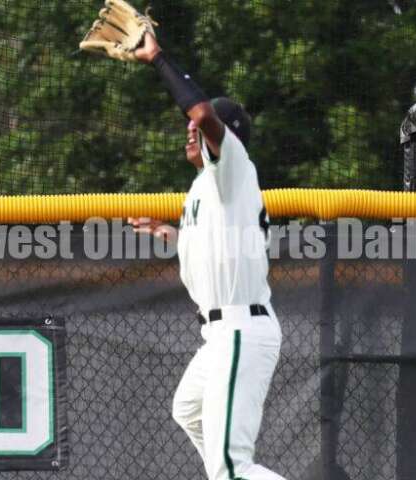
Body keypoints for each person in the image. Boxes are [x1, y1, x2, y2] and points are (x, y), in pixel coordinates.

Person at [128, 33, 285, 480]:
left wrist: (158, 58)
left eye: (202, 129)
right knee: (187, 409)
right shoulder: (207, 187)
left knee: (232, 467)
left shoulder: (232, 165)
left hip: (240, 327)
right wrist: (169, 234)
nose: (191, 129)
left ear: (225, 136)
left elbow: (200, 111)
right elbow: (215, 247)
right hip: (220, 335)